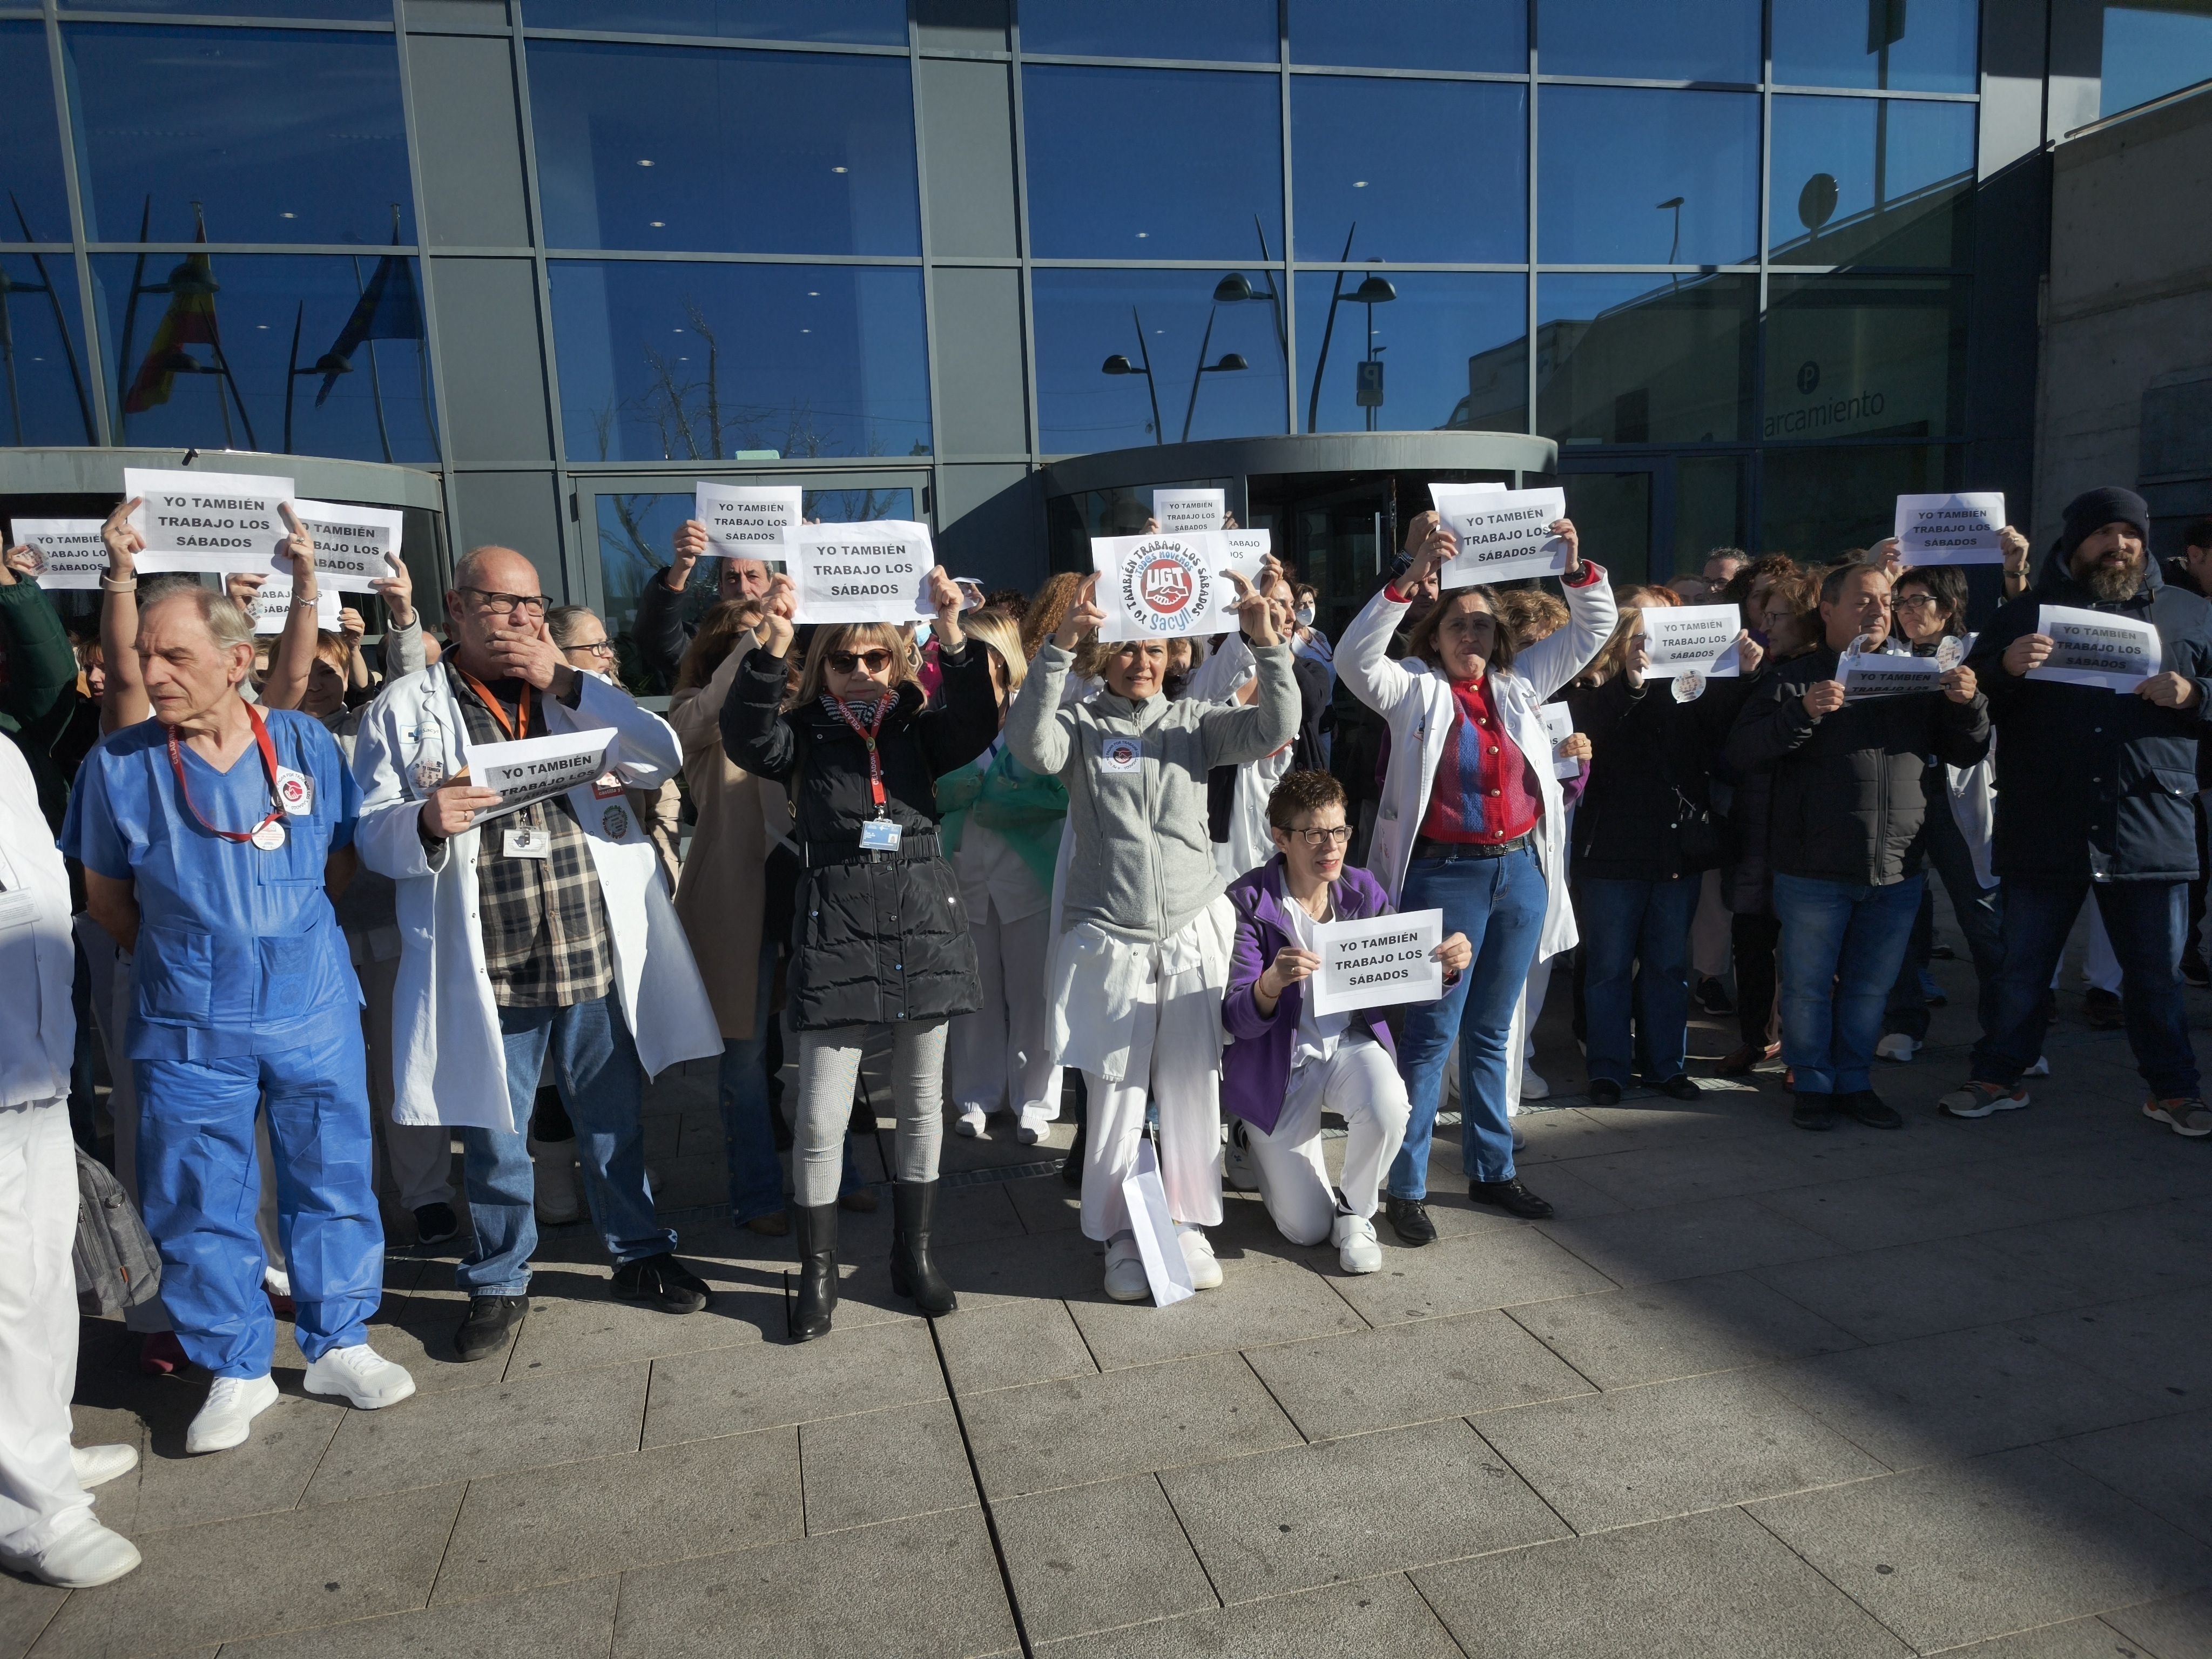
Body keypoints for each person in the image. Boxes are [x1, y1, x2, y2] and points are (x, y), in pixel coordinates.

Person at [72, 520, 415, 1452]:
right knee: (199, 1190)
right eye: (145, 656)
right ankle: (234, 1364)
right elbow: (107, 902)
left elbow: (337, 868)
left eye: (173, 654)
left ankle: (339, 1337)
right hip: (188, 1018)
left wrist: (272, 934)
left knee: (332, 1168)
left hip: (310, 1007)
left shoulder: (303, 742)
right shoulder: (119, 766)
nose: (153, 672)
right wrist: (203, 953)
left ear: (235, 661)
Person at [353, 544, 724, 1363]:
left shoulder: (578, 694)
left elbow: (657, 756)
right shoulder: (408, 705)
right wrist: (420, 821)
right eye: (501, 603)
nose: (522, 618)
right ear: (456, 608)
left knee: (612, 1118)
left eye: (532, 604)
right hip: (489, 955)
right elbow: (371, 829)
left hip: (588, 941)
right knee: (495, 1131)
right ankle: (496, 1279)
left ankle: (640, 1252)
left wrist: (569, 680)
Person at [721, 563, 994, 1340]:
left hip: (922, 918)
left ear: (897, 660)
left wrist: (952, 634)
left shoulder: (915, 724)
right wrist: (771, 647)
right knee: (820, 1111)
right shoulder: (801, 732)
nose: (863, 673)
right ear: (822, 666)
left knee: (919, 1106)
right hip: (835, 923)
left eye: (877, 658)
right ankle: (816, 1276)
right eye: (845, 660)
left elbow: (973, 724)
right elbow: (747, 738)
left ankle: (916, 1257)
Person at [1007, 568, 1294, 1302]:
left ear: (1175, 657)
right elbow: (1030, 749)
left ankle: (1187, 1222)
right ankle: (1118, 1234)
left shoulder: (1194, 725)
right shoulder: (1081, 728)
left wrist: (1267, 647)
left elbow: (1274, 728)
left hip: (1191, 933)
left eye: (1157, 650)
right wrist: (1056, 652)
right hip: (1112, 940)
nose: (1143, 662)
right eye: (1128, 651)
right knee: (1118, 1098)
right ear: (1104, 657)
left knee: (1193, 1088)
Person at [1338, 514, 1614, 1242]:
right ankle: (1407, 1184)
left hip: (1520, 874)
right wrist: (1408, 575)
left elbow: (1596, 627)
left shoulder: (1519, 686)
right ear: (1433, 635)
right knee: (1432, 1037)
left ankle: (1493, 1171)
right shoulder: (1413, 692)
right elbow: (1353, 658)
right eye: (1459, 625)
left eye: (1485, 627)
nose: (1473, 637)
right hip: (1444, 878)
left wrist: (1574, 565)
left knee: (1496, 1030)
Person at [1949, 488, 2212, 1134]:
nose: (2117, 544)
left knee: (2155, 979)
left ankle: (2174, 1091)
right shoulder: (2026, 614)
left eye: (2129, 532)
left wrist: (2195, 692)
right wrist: (2002, 672)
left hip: (2148, 821)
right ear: (2073, 543)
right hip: (2046, 819)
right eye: (2103, 533)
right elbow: (1971, 713)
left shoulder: (2188, 614)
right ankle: (1998, 1075)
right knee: (2022, 971)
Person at [1725, 563, 1989, 1131]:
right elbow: (1741, 751)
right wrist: (1803, 712)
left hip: (1895, 869)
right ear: (1827, 610)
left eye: (1886, 601)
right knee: (1807, 988)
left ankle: (1855, 1081)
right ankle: (1812, 1085)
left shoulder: (1917, 674)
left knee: (1870, 989)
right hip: (1812, 866)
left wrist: (1967, 705)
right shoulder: (1795, 678)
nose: (1877, 611)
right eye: (1863, 601)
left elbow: (1965, 752)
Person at [258, 537, 458, 1247]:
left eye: (329, 667)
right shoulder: (258, 743)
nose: (317, 680)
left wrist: (401, 615)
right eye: (302, 670)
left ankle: (427, 1192)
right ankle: (353, 1201)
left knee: (404, 1062)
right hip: (309, 939)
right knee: (327, 1082)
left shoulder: (368, 729)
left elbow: (415, 699)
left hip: (388, 921)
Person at [1222, 770, 1467, 1272]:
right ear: (1281, 838)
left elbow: (1401, 974)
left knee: (1390, 1104)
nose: (1330, 847)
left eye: (1339, 832)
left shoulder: (1360, 888)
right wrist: (1270, 984)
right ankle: (1248, 1134)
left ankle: (1357, 1214)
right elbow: (1236, 1019)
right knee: (1306, 1230)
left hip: (1347, 1046)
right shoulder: (1249, 901)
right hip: (1278, 1067)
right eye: (1314, 834)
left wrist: (1442, 968)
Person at [0, 736, 142, 1586]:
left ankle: (37, 1446)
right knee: (9, 1294)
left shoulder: (4, 754)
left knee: (45, 1279)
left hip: (37, 1066)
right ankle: (31, 1505)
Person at [1568, 604, 1763, 1106]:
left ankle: (1664, 1068)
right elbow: (1592, 735)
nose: (1653, 643)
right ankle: (1609, 1069)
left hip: (1674, 852)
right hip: (1611, 855)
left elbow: (1726, 744)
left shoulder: (1693, 692)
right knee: (1609, 967)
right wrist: (1631, 683)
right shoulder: (1595, 689)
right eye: (1643, 633)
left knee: (1669, 967)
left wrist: (1740, 676)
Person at [937, 609, 1068, 1145]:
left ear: (1002, 658)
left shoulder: (1037, 715)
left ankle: (1035, 1103)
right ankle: (975, 1098)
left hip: (1028, 881)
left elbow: (1063, 792)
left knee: (1036, 996)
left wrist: (1008, 802)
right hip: (964, 879)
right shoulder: (943, 719)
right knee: (975, 995)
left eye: (978, 651)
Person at [1874, 564, 2004, 1067]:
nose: (1905, 612)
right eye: (1899, 602)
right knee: (1897, 917)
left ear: (1948, 608)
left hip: (1961, 798)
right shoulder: (1883, 654)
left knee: (1984, 916)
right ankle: (1905, 1022)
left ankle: (2009, 1033)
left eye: (1917, 601)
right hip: (1901, 798)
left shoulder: (1981, 654)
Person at [632, 519, 773, 687]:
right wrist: (681, 567)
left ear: (771, 585)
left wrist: (810, 552)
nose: (743, 588)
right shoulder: (704, 643)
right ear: (721, 589)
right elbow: (658, 641)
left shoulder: (797, 636)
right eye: (732, 578)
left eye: (753, 577)